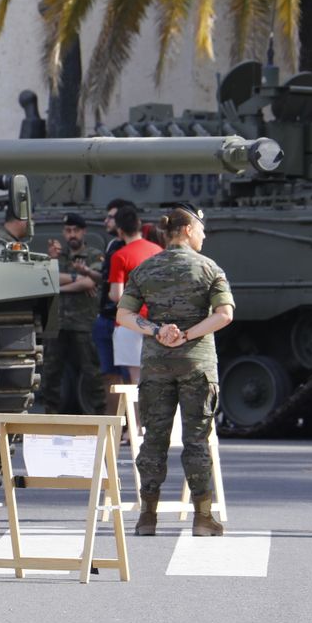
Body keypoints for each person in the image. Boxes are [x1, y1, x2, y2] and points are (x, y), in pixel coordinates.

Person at [116, 206, 233, 537]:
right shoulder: (210, 269)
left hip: (156, 364)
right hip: (197, 363)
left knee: (153, 438)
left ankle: (147, 517)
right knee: (196, 439)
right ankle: (202, 518)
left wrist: (157, 331)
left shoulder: (145, 269)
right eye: (201, 229)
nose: (204, 235)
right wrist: (187, 334)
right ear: (186, 231)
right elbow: (224, 315)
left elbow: (123, 315)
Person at [39, 214, 104, 413]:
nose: (72, 234)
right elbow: (47, 278)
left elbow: (91, 282)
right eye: (68, 230)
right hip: (57, 322)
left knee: (92, 370)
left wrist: (62, 285)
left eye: (76, 230)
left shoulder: (93, 255)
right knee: (51, 371)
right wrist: (76, 278)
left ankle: (100, 415)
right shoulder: (57, 256)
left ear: (83, 232)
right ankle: (50, 415)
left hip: (83, 322)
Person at [108, 205, 161, 385]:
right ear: (139, 225)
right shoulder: (158, 251)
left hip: (130, 323)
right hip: (157, 322)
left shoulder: (119, 256)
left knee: (136, 381)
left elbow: (117, 295)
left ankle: (138, 415)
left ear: (120, 232)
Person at [91, 198, 134, 409]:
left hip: (127, 320)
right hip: (107, 317)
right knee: (109, 374)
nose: (107, 221)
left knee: (130, 376)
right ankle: (114, 422)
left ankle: (131, 424)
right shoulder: (112, 245)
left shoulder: (133, 247)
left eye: (112, 217)